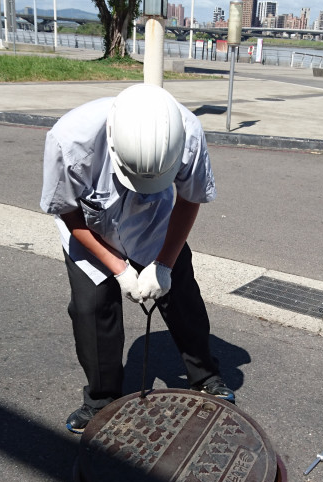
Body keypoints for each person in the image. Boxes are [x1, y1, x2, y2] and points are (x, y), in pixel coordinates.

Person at [41, 84, 235, 434]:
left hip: (155, 224)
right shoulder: (69, 140)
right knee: (92, 310)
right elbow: (66, 212)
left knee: (183, 300)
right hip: (91, 229)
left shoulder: (188, 132)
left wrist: (164, 263)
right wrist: (118, 268)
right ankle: (101, 400)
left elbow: (190, 199)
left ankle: (205, 376)